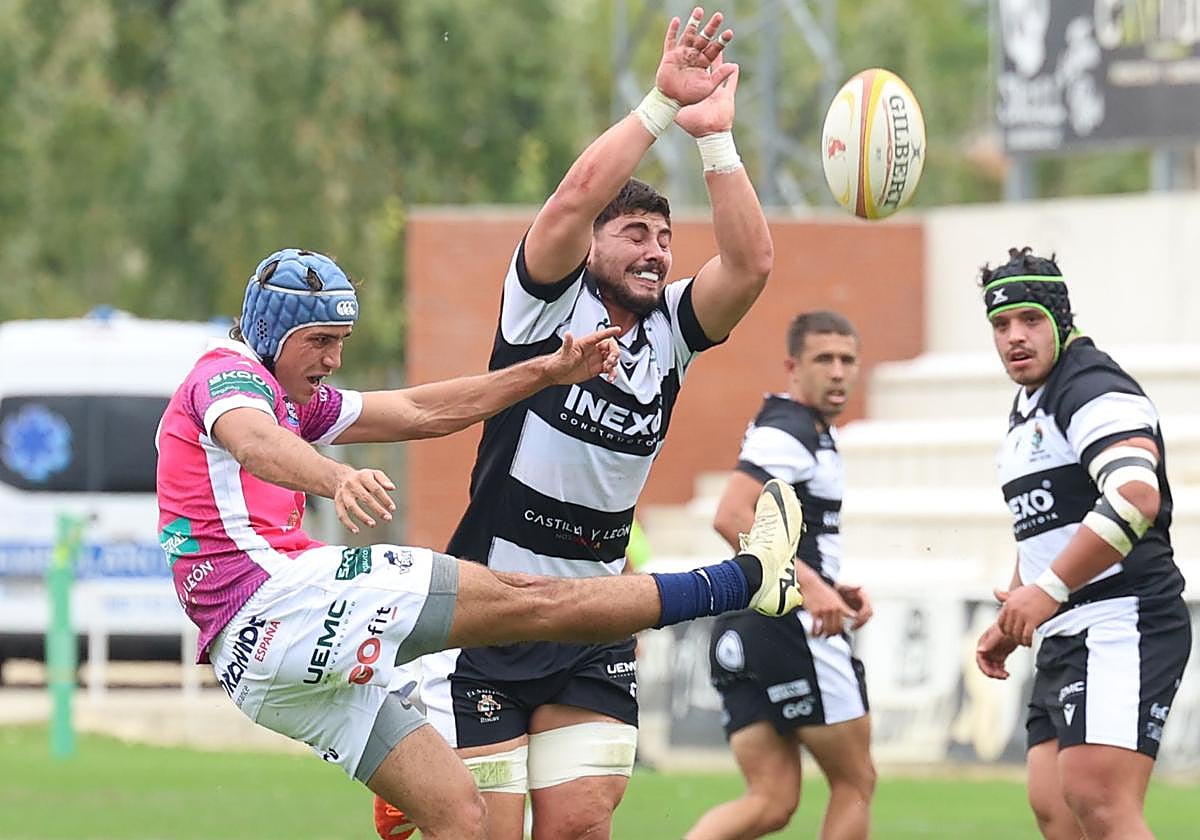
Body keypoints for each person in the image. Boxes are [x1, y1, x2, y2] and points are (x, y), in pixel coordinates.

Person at [155, 247, 804, 840]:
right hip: (281, 603)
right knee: (536, 603)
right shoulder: (228, 376)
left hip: (260, 673)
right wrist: (335, 475)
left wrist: (545, 372)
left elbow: (419, 412)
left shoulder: (294, 396)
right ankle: (747, 578)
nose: (332, 361)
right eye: (319, 342)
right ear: (271, 334)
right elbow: (252, 441)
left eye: (341, 342)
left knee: (462, 818)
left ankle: (418, 722)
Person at [373, 7, 777, 839]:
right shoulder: (544, 305)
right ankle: (414, 760)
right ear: (593, 247)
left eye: (665, 239)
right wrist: (660, 105)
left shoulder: (670, 329)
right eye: (634, 233)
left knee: (581, 827)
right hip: (491, 611)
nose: (656, 251)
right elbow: (570, 199)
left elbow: (750, 265)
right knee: (481, 829)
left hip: (596, 619)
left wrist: (715, 141)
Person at [972, 247, 1190, 840]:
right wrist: (1016, 607)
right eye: (1000, 325)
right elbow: (1049, 519)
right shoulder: (1028, 405)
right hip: (1067, 630)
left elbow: (1133, 498)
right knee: (1055, 807)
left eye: (1031, 320)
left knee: (1099, 799)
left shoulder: (1092, 388)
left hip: (1124, 619)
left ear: (1063, 318)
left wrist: (1045, 590)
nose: (1015, 337)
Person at [685, 311, 876, 840]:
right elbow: (732, 515)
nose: (838, 372)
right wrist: (814, 590)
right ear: (794, 366)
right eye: (823, 359)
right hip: (791, 627)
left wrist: (830, 587)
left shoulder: (804, 430)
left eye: (848, 360)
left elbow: (786, 533)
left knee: (770, 801)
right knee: (855, 780)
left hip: (742, 629)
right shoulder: (789, 428)